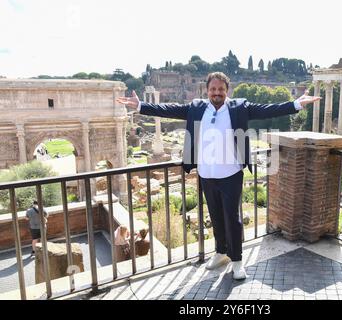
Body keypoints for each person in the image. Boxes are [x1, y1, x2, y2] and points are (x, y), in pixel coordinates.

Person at [117, 72, 320, 280]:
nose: (217, 93)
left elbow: (267, 110)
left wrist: (296, 104)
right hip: (206, 174)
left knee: (232, 219)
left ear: (227, 90)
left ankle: (237, 261)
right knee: (215, 217)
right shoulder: (197, 108)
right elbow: (169, 109)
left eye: (221, 89)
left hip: (231, 174)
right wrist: (141, 105)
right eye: (213, 89)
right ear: (207, 91)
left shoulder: (239, 107)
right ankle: (221, 252)